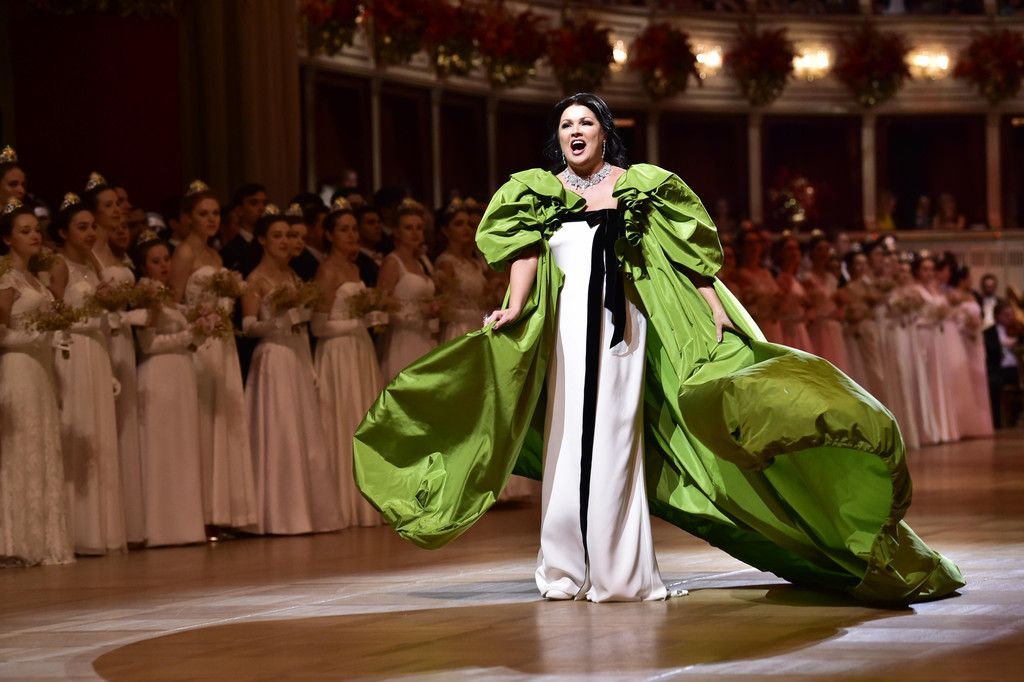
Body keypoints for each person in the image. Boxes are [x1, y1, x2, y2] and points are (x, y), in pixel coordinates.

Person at [353, 93, 964, 606]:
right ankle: (563, 570)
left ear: (604, 132)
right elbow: (526, 257)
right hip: (566, 333)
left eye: (585, 122)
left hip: (624, 330)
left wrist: (713, 304)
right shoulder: (538, 193)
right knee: (567, 441)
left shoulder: (641, 187)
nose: (574, 132)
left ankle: (620, 573)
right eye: (565, 125)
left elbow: (686, 255)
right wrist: (513, 306)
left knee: (615, 443)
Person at [242, 205, 341, 535]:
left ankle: (306, 511)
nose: (285, 242)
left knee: (303, 431)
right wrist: (279, 321)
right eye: (277, 236)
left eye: (289, 235)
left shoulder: (294, 277)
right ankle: (280, 514)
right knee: (281, 430)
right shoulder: (256, 280)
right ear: (262, 240)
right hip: (274, 356)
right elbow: (248, 326)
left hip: (297, 355)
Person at [171, 180, 258, 534]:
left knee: (224, 418)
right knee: (203, 419)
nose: (211, 219)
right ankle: (201, 511)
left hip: (221, 342)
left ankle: (222, 509)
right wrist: (199, 318)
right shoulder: (184, 254)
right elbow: (174, 302)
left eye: (215, 214)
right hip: (200, 342)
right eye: (203, 214)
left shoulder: (216, 255)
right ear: (188, 218)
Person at [47, 193, 126, 556]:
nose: (91, 233)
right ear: (64, 232)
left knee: (98, 434)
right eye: (82, 227)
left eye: (93, 226)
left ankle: (101, 531)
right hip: (73, 350)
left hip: (95, 348)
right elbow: (54, 314)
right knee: (77, 430)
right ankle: (77, 529)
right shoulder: (58, 264)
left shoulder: (93, 262)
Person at [0, 198, 74, 566]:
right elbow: (1, 333)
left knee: (41, 446)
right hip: (18, 367)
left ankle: (43, 541)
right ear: (7, 239)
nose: (34, 235)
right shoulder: (6, 278)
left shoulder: (36, 279)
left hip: (41, 369)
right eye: (24, 231)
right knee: (19, 450)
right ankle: (13, 542)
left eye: (36, 230)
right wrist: (36, 336)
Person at [312, 198, 384, 529]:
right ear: (329, 235)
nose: (352, 235)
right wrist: (357, 323)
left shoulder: (355, 269)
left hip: (359, 350)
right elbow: (318, 326)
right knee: (342, 417)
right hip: (337, 353)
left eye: (354, 229)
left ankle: (365, 497)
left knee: (362, 416)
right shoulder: (326, 271)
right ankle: (342, 502)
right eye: (344, 230)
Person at [133, 234, 206, 547]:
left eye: (166, 259)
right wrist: (187, 336)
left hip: (180, 373)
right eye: (155, 261)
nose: (164, 266)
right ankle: (159, 527)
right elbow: (147, 344)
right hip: (159, 375)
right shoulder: (147, 295)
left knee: (182, 446)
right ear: (143, 266)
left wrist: (199, 334)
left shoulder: (169, 296)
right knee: (162, 449)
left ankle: (184, 525)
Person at [377, 200, 438, 383]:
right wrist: (418, 313)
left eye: (419, 228)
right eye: (408, 228)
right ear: (396, 231)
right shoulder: (392, 262)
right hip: (402, 339)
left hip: (424, 337)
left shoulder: (420, 262)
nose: (415, 232)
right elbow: (382, 305)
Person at [985, 302, 1021, 428]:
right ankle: (997, 422)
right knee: (992, 383)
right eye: (1006, 315)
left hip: (1018, 369)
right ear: (997, 316)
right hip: (1000, 369)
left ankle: (1016, 416)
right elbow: (989, 353)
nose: (1010, 317)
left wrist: (1017, 342)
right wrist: (1001, 345)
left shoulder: (1020, 329)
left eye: (1012, 314)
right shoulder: (988, 333)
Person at [219, 183, 267, 277]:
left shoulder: (269, 242)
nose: (262, 208)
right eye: (254, 203)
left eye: (264, 203)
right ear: (239, 210)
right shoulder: (229, 251)